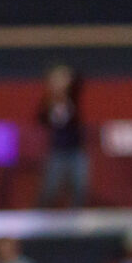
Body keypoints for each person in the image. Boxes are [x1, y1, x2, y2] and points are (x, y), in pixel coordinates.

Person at [36, 65, 87, 208]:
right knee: (50, 188)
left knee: (79, 187)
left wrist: (66, 76)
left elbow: (79, 80)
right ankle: (40, 216)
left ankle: (76, 218)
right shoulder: (48, 103)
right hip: (57, 151)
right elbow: (41, 120)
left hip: (76, 150)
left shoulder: (72, 98)